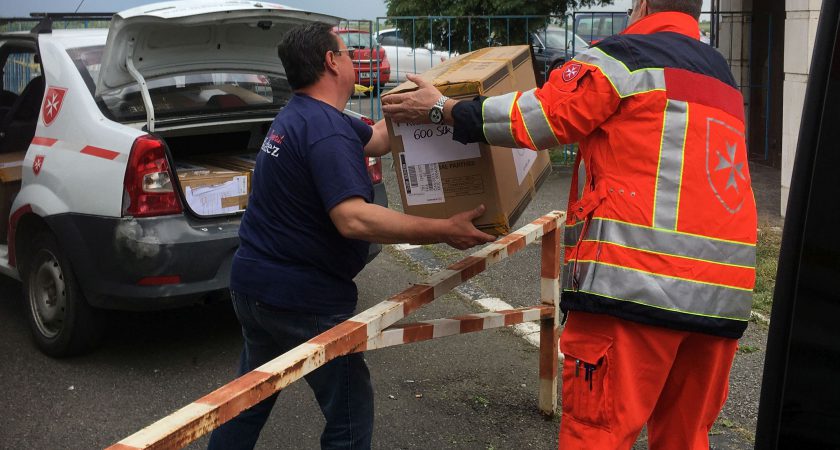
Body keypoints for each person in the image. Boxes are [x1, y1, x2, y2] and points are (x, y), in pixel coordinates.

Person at [381, 0, 757, 448]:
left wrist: (443, 108)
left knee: (596, 436)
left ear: (640, 4)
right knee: (685, 439)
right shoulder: (722, 77)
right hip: (721, 301)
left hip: (634, 290)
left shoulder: (625, 58)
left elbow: (540, 117)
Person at [207, 22, 495, 450]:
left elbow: (378, 139)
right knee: (349, 412)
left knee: (249, 399)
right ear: (331, 61)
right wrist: (443, 230)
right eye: (347, 51)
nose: (354, 57)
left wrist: (420, 106)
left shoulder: (301, 115)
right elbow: (354, 220)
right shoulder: (326, 130)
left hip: (253, 288)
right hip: (301, 299)